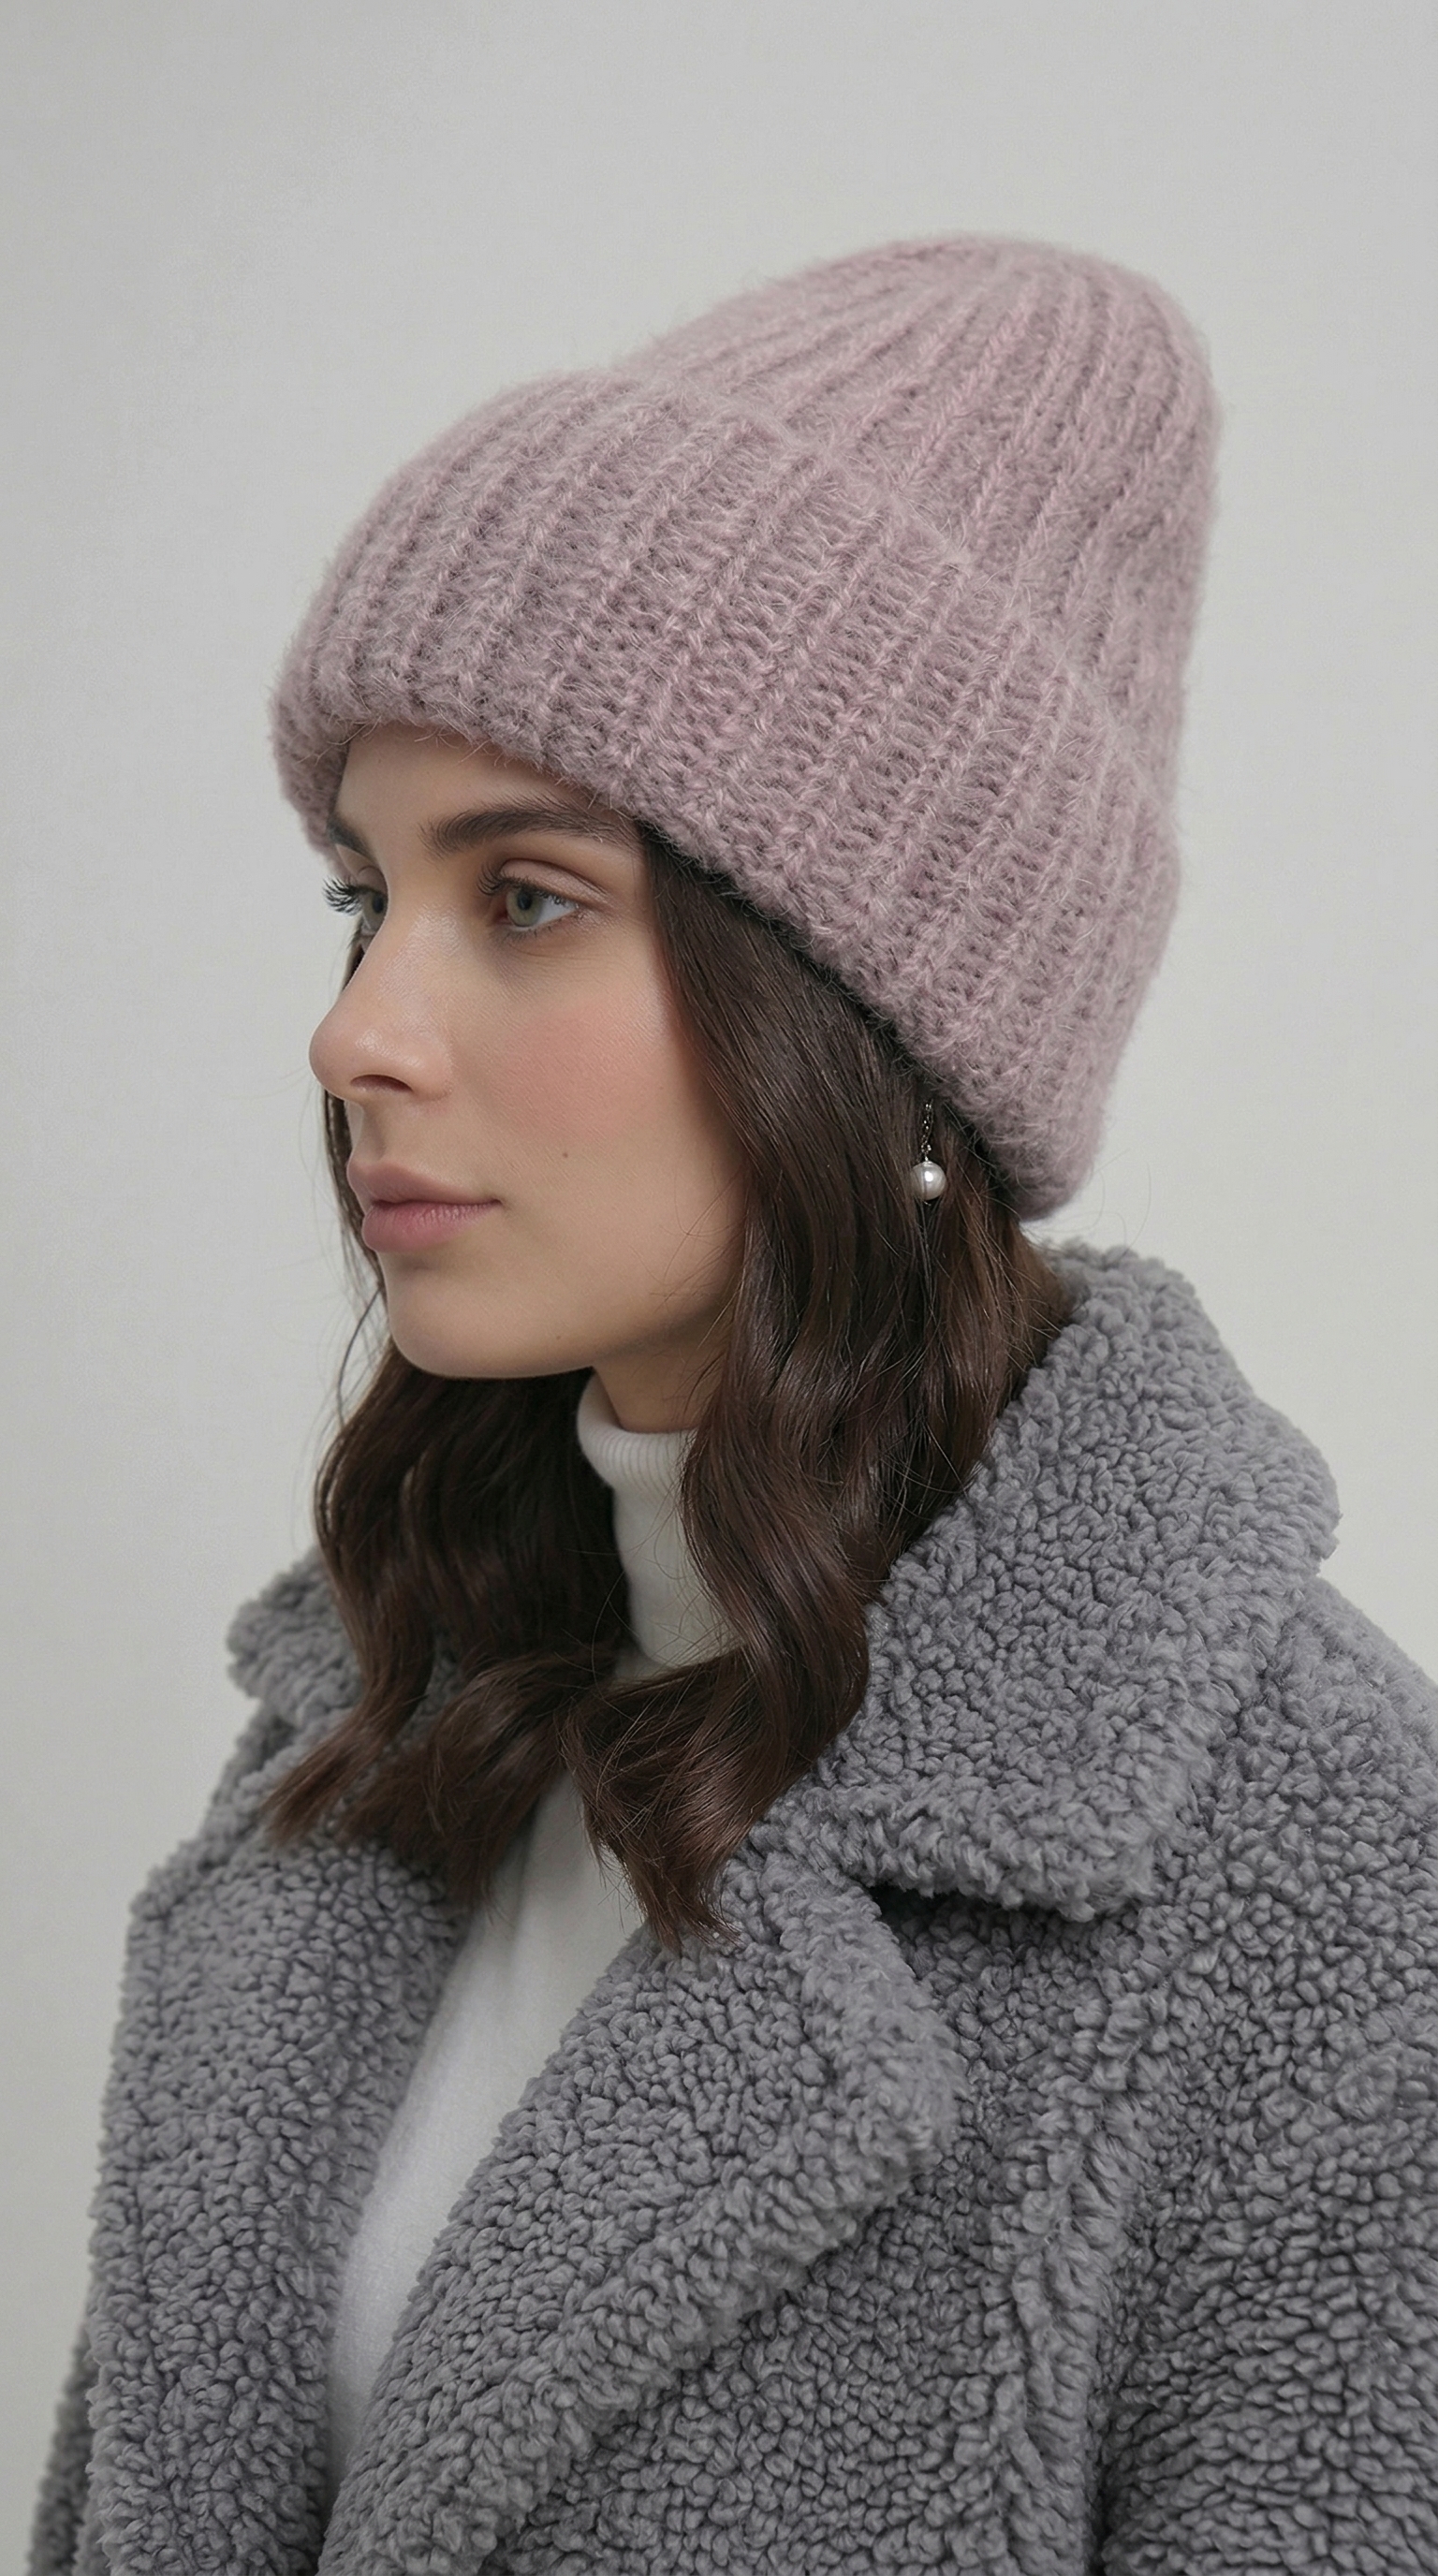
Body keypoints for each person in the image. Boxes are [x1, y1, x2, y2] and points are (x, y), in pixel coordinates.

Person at [30, 236, 1438, 2576]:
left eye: (527, 897)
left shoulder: (1331, 1884)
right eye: (362, 897)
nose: (358, 1030)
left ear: (863, 1005)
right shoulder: (364, 1729)